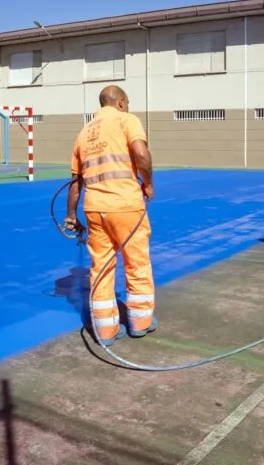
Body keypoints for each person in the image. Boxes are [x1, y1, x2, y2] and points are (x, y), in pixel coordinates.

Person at [64, 85, 158, 346]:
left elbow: (75, 181)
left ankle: (105, 331)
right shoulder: (127, 120)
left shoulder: (83, 133)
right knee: (136, 263)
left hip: (94, 209)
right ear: (120, 102)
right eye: (127, 102)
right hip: (125, 205)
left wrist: (71, 214)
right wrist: (148, 183)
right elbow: (140, 153)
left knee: (101, 268)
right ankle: (140, 322)